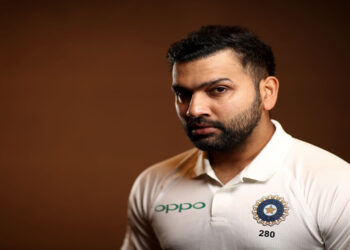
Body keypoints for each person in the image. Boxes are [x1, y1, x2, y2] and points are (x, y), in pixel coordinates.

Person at [121, 25, 350, 250]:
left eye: (218, 89)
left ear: (267, 92)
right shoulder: (152, 184)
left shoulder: (335, 185)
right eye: (183, 94)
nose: (194, 109)